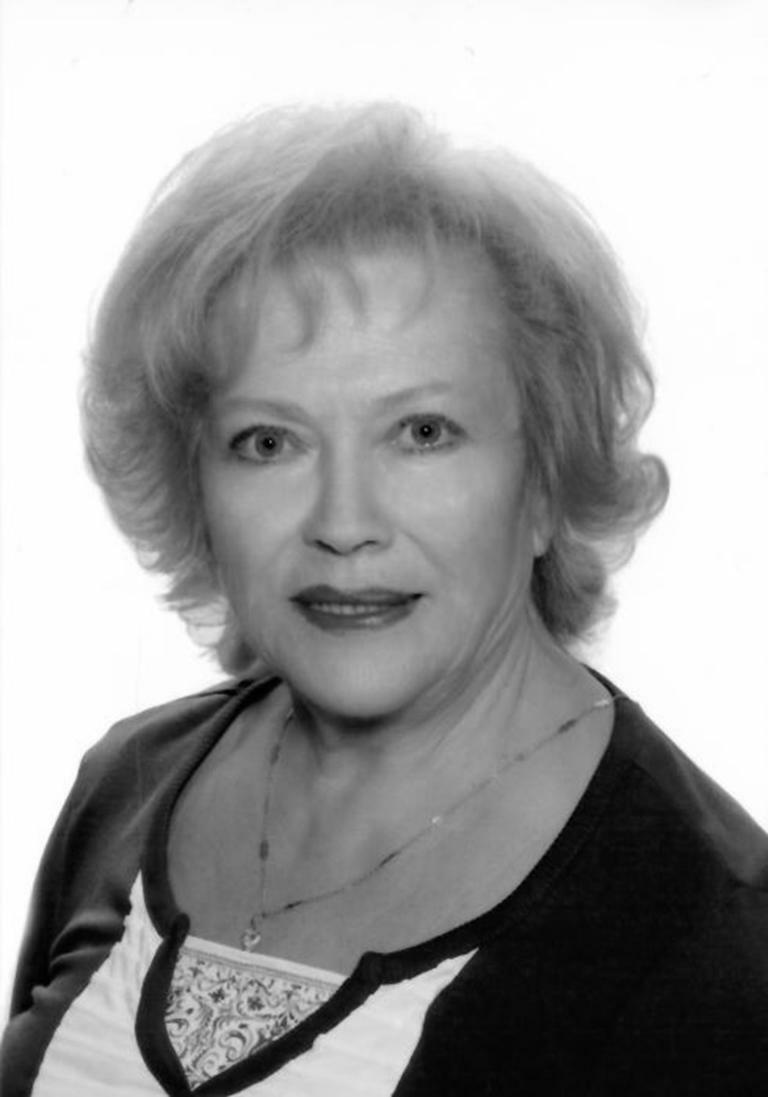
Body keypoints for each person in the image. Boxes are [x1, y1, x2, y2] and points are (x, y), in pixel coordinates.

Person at [2, 102, 767, 1096]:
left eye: (423, 432)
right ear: (197, 486)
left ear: (546, 476)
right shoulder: (129, 782)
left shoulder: (710, 935)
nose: (344, 521)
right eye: (268, 441)